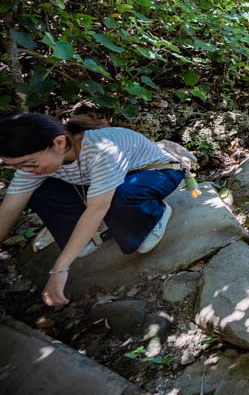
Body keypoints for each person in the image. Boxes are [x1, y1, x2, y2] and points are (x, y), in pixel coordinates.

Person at [0, 114, 185, 306]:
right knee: (37, 192)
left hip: (157, 173)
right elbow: (10, 208)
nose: (25, 171)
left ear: (59, 142)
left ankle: (155, 212)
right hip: (108, 184)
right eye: (17, 167)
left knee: (117, 201)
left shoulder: (102, 150)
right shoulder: (36, 162)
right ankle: (89, 232)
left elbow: (97, 208)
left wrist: (59, 269)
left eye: (29, 164)